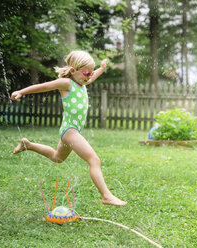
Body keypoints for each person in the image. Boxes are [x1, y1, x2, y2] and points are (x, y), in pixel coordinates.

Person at [11, 51, 127, 206]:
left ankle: (28, 145)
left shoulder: (82, 82)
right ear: (73, 71)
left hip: (71, 131)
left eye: (90, 73)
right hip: (70, 131)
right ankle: (106, 195)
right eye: (87, 73)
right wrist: (21, 92)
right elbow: (43, 86)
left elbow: (92, 78)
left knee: (57, 158)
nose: (89, 76)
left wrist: (101, 69)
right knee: (94, 160)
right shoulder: (66, 84)